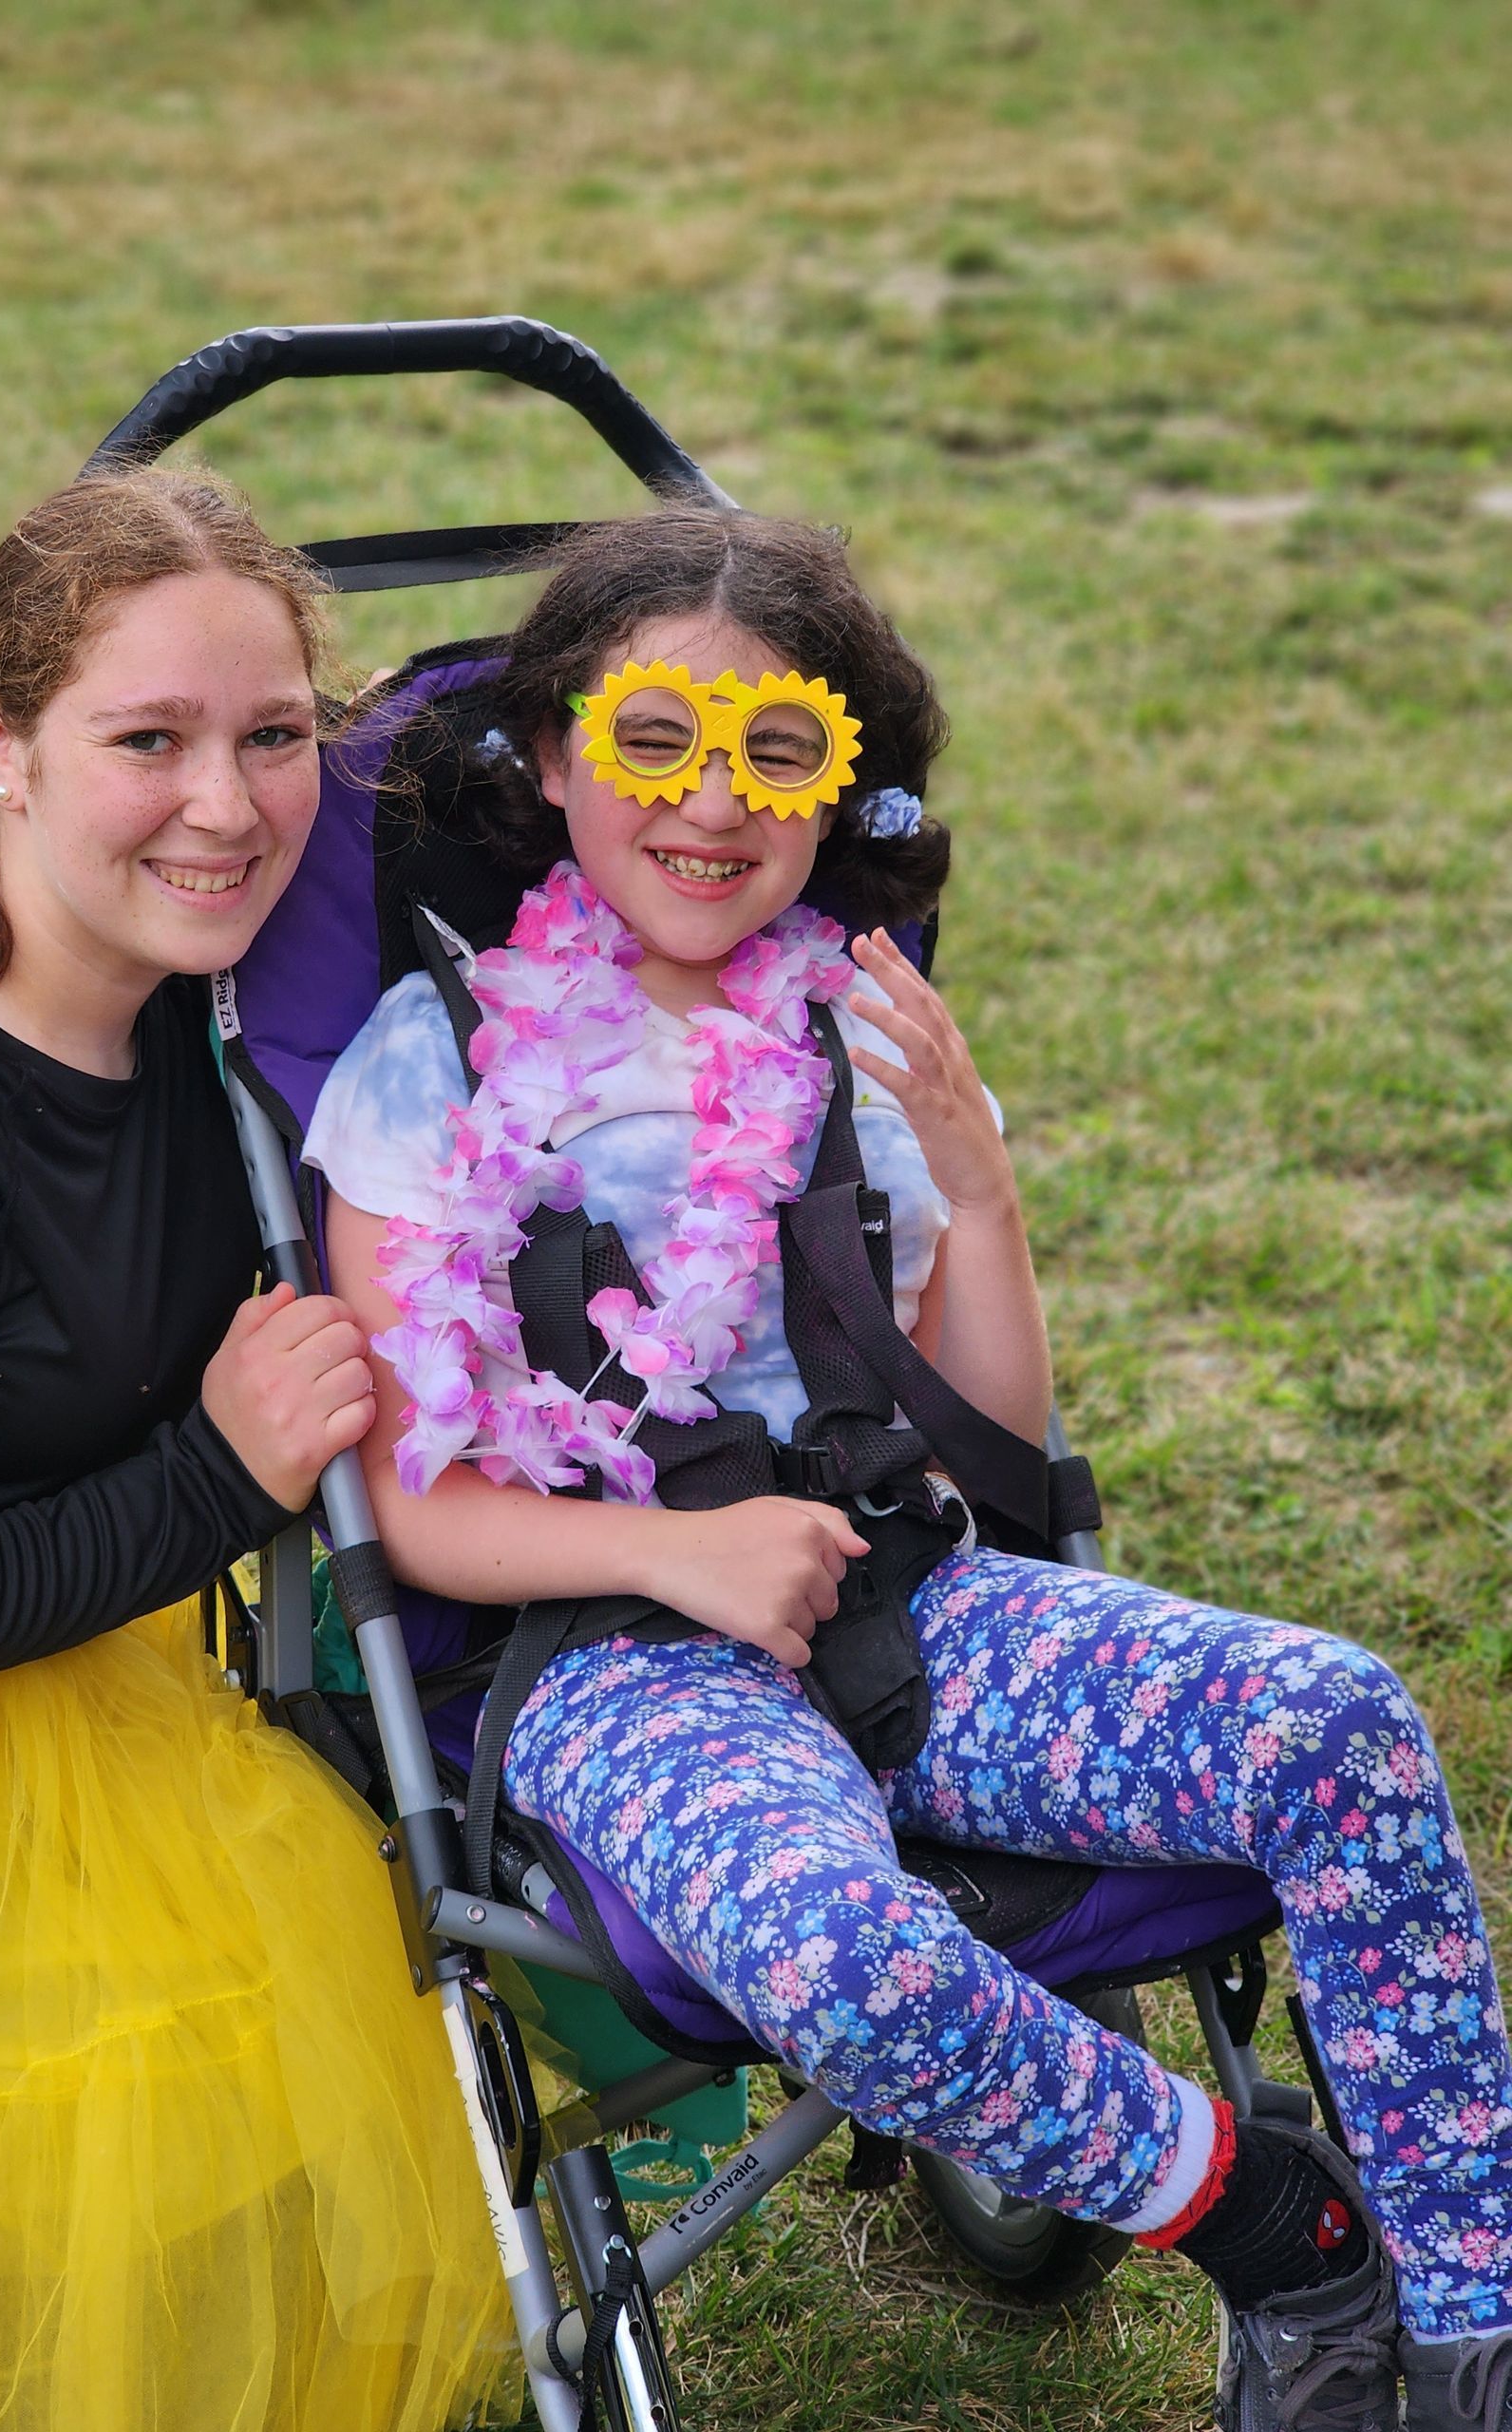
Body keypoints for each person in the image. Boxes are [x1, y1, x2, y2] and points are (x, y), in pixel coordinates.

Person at [306, 506, 1512, 2432]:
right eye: (652, 743)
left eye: (774, 748)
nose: (714, 802)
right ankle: (1274, 2221)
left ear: (836, 776)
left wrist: (974, 1174)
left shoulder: (856, 1032)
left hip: (919, 1590)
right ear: (549, 761)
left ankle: (1467, 2333)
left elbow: (995, 1438)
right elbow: (424, 1508)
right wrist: (687, 1559)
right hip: (625, 1649)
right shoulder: (430, 1059)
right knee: (831, 1945)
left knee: (1341, 1719)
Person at [0, 468, 513, 2432]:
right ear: (4, 741)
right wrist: (219, 1481)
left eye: (273, 736)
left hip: (105, 1661)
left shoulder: (222, 1012)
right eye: (147, 740)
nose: (227, 807)